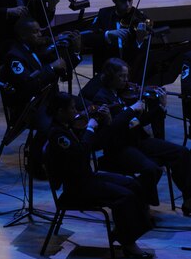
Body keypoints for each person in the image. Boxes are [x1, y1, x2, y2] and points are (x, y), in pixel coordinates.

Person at [46, 92, 153, 259]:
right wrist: (89, 128)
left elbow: (94, 145)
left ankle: (122, 232)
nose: (76, 112)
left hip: (87, 178)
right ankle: (128, 243)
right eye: (72, 108)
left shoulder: (68, 127)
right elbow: (81, 153)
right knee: (125, 196)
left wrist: (106, 123)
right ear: (60, 111)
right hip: (77, 188)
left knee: (133, 184)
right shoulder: (57, 135)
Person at [82, 58, 191, 214]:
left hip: (138, 140)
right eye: (121, 76)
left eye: (127, 76)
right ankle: (140, 205)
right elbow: (112, 128)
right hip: (119, 147)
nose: (126, 80)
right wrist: (131, 110)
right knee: (152, 169)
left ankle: (188, 198)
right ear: (110, 76)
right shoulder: (102, 97)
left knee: (182, 152)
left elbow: (139, 121)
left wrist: (160, 106)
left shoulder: (124, 93)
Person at [0, 16, 81, 175]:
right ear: (23, 36)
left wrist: (76, 51)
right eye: (35, 32)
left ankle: (71, 154)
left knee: (83, 106)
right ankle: (37, 163)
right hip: (30, 105)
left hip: (49, 99)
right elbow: (28, 86)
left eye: (40, 30)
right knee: (50, 124)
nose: (41, 34)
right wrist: (50, 68)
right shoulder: (14, 57)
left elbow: (64, 71)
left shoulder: (36, 49)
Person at [90, 0, 152, 77]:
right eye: (123, 1)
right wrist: (108, 34)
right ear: (114, 0)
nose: (128, 5)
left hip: (132, 70)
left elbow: (144, 54)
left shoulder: (140, 18)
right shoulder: (104, 14)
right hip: (108, 71)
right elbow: (91, 38)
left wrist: (139, 41)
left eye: (130, 0)